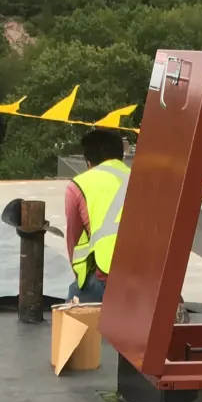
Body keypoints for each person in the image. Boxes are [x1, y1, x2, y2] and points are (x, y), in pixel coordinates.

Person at [64, 128, 131, 303]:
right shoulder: (143, 179)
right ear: (121, 156)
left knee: (72, 307)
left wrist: (80, 277)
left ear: (89, 163)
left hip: (107, 278)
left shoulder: (79, 185)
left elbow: (73, 239)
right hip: (149, 279)